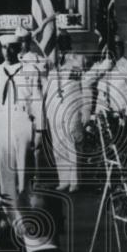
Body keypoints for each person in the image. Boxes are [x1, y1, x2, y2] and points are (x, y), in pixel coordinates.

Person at [0, 34, 44, 203]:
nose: (7, 51)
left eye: (11, 47)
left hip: (22, 120)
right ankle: (10, 209)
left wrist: (39, 130)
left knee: (24, 168)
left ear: (19, 49)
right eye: (4, 47)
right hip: (3, 121)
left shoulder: (30, 71)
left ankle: (26, 206)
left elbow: (37, 101)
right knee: (4, 168)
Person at [43, 30, 86, 192]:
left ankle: (75, 180)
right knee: (58, 143)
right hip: (55, 107)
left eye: (65, 40)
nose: (62, 44)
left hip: (71, 106)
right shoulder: (53, 61)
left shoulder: (77, 59)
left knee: (71, 143)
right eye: (60, 41)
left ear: (70, 41)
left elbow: (76, 76)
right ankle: (64, 179)